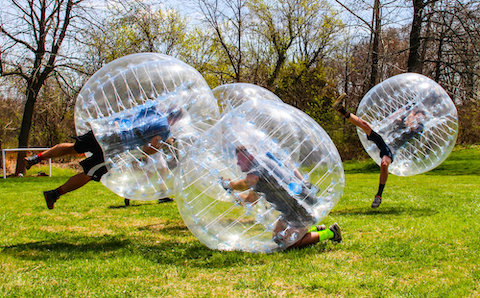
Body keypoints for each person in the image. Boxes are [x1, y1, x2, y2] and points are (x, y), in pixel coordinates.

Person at [25, 106, 183, 209]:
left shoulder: (151, 111)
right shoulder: (164, 128)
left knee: (74, 148)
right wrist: (162, 143)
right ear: (175, 120)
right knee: (90, 173)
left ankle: (36, 158)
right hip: (115, 146)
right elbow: (148, 149)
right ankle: (54, 193)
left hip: (107, 130)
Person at [220, 146, 341, 249]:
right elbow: (250, 201)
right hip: (291, 210)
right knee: (278, 237)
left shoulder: (258, 165)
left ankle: (331, 233)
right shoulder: (262, 174)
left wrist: (230, 185)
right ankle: (315, 230)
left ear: (250, 156)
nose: (237, 163)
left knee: (288, 243)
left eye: (240, 159)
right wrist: (231, 192)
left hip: (300, 206)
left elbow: (248, 181)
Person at [333, 94, 426, 208]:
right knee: (365, 126)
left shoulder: (420, 126)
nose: (419, 117)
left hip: (392, 148)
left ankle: (379, 196)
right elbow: (395, 120)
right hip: (384, 138)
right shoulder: (405, 117)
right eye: (418, 115)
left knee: (384, 164)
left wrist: (412, 113)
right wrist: (403, 113)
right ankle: (341, 109)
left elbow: (411, 125)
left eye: (420, 116)